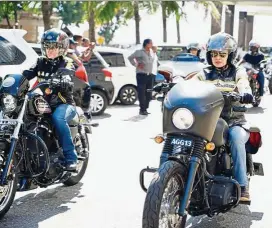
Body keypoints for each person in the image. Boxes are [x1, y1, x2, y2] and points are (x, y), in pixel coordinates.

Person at [161, 32, 253, 202]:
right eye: (214, 54)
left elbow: (242, 82)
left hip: (233, 121)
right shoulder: (204, 73)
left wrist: (245, 92)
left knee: (235, 138)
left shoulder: (237, 71)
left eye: (222, 54)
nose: (217, 58)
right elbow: (190, 83)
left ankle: (242, 185)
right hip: (209, 120)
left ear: (230, 55)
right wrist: (172, 86)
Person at [23, 28, 78, 171]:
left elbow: (69, 74)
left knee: (58, 117)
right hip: (44, 103)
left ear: (62, 48)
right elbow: (25, 75)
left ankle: (71, 158)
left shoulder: (67, 62)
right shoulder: (40, 62)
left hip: (64, 104)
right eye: (47, 47)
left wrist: (65, 79)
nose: (50, 50)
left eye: (53, 47)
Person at [128, 39, 155, 115]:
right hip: (141, 75)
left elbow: (153, 61)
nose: (152, 45)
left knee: (149, 93)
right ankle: (142, 109)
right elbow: (130, 57)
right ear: (147, 44)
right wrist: (137, 65)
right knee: (142, 93)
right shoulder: (139, 52)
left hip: (149, 74)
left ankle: (145, 108)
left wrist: (154, 52)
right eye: (151, 43)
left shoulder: (151, 52)